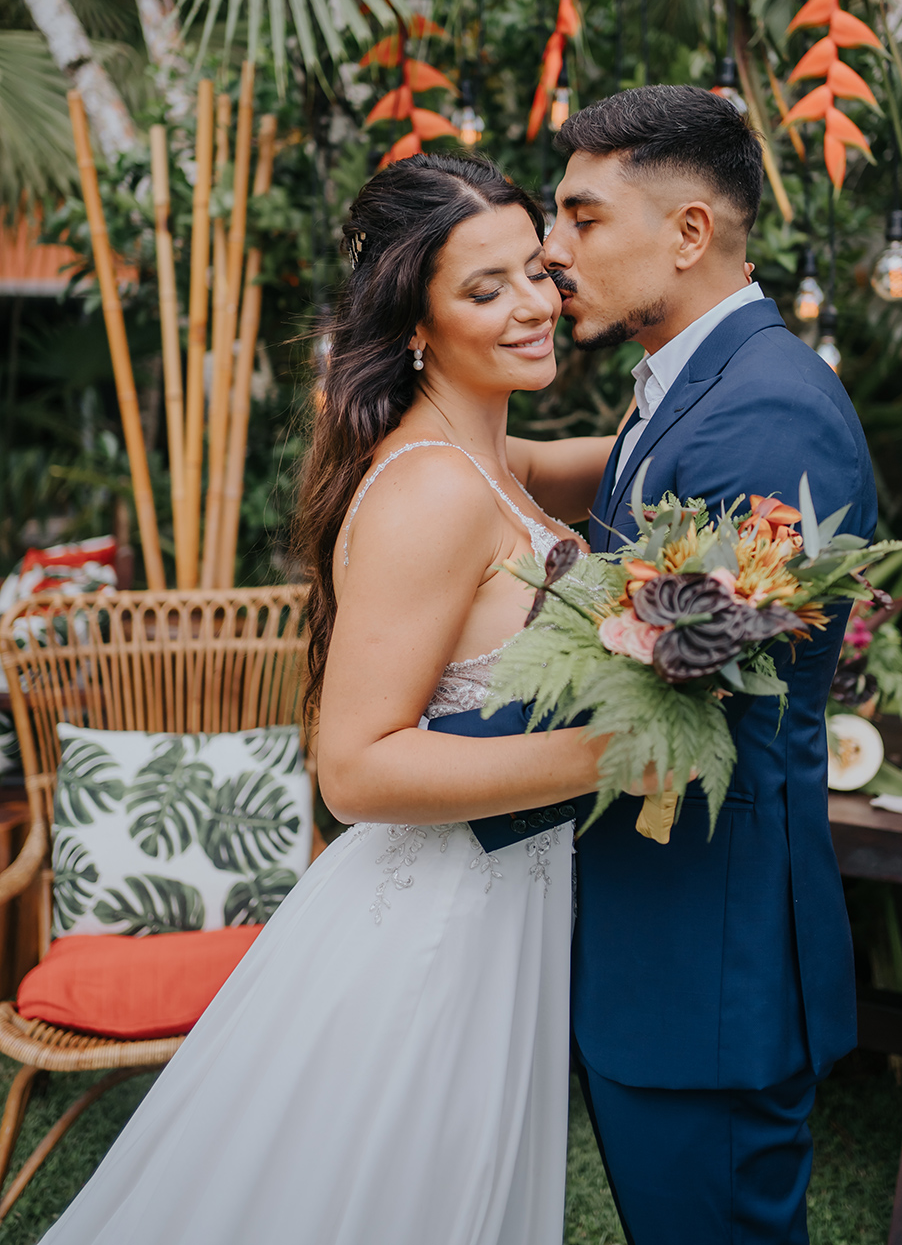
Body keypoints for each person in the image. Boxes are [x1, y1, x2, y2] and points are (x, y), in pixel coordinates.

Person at [39, 154, 620, 1245]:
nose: (535, 306)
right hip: (432, 930)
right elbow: (352, 769)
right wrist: (614, 751)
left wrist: (699, 437)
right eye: (483, 290)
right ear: (415, 324)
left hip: (501, 908)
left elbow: (583, 467)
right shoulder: (437, 490)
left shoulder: (483, 455)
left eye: (535, 271)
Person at [542, 85, 877, 1245]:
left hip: (705, 963)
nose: (552, 251)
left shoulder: (767, 415)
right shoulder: (699, 384)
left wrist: (413, 754)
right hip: (668, 949)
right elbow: (625, 480)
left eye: (581, 218)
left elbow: (679, 682)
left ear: (686, 232)